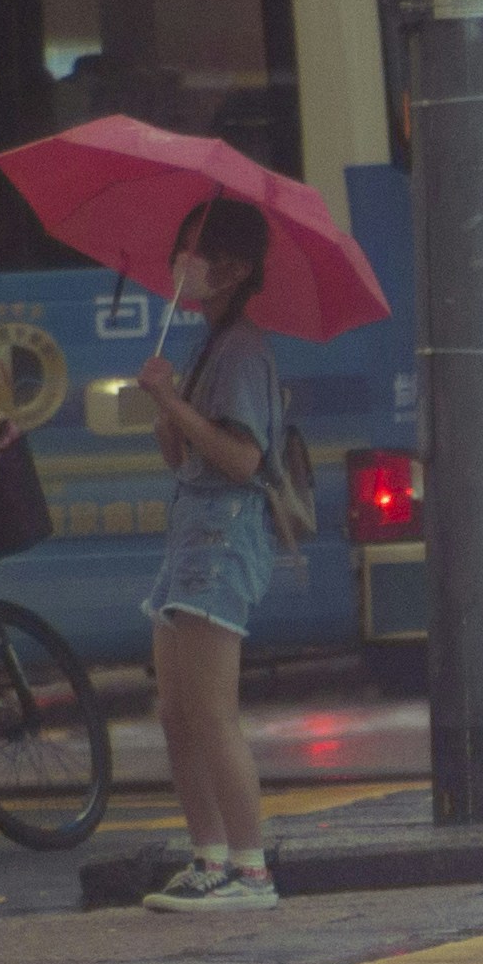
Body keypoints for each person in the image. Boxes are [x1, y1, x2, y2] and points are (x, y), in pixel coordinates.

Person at [128, 192, 294, 911]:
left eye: (195, 254)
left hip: (223, 537)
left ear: (232, 270)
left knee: (212, 710)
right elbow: (180, 453)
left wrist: (177, 404)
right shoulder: (206, 345)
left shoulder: (246, 351)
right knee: (176, 710)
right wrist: (167, 401)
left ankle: (251, 871)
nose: (181, 266)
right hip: (189, 531)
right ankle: (208, 857)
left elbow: (242, 458)